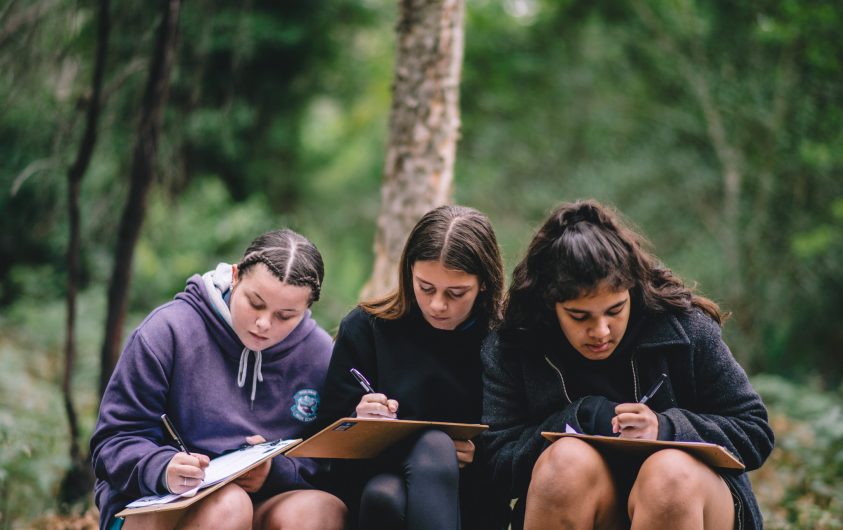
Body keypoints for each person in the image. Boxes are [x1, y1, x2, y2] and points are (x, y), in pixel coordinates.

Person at [481, 200, 774, 530]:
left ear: (632, 290)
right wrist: (574, 420)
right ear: (551, 305)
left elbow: (755, 432)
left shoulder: (685, 328)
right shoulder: (514, 344)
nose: (601, 331)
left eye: (615, 310)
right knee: (566, 461)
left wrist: (665, 429)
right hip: (579, 504)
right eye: (580, 316)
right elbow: (495, 464)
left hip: (692, 503)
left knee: (668, 474)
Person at [90, 229, 347, 530]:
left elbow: (327, 458)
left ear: (306, 309)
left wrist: (274, 473)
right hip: (158, 504)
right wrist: (162, 467)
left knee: (321, 511)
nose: (264, 324)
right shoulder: (169, 332)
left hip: (263, 501)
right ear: (235, 276)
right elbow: (113, 441)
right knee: (229, 506)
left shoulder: (318, 355)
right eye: (255, 303)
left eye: (285, 316)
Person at [316, 205, 511, 530]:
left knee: (394, 488)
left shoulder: (504, 342)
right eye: (425, 287)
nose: (437, 305)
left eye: (456, 293)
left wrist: (477, 454)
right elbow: (322, 449)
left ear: (484, 285)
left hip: (471, 498)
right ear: (408, 274)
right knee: (385, 493)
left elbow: (518, 444)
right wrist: (358, 421)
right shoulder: (367, 329)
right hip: (371, 489)